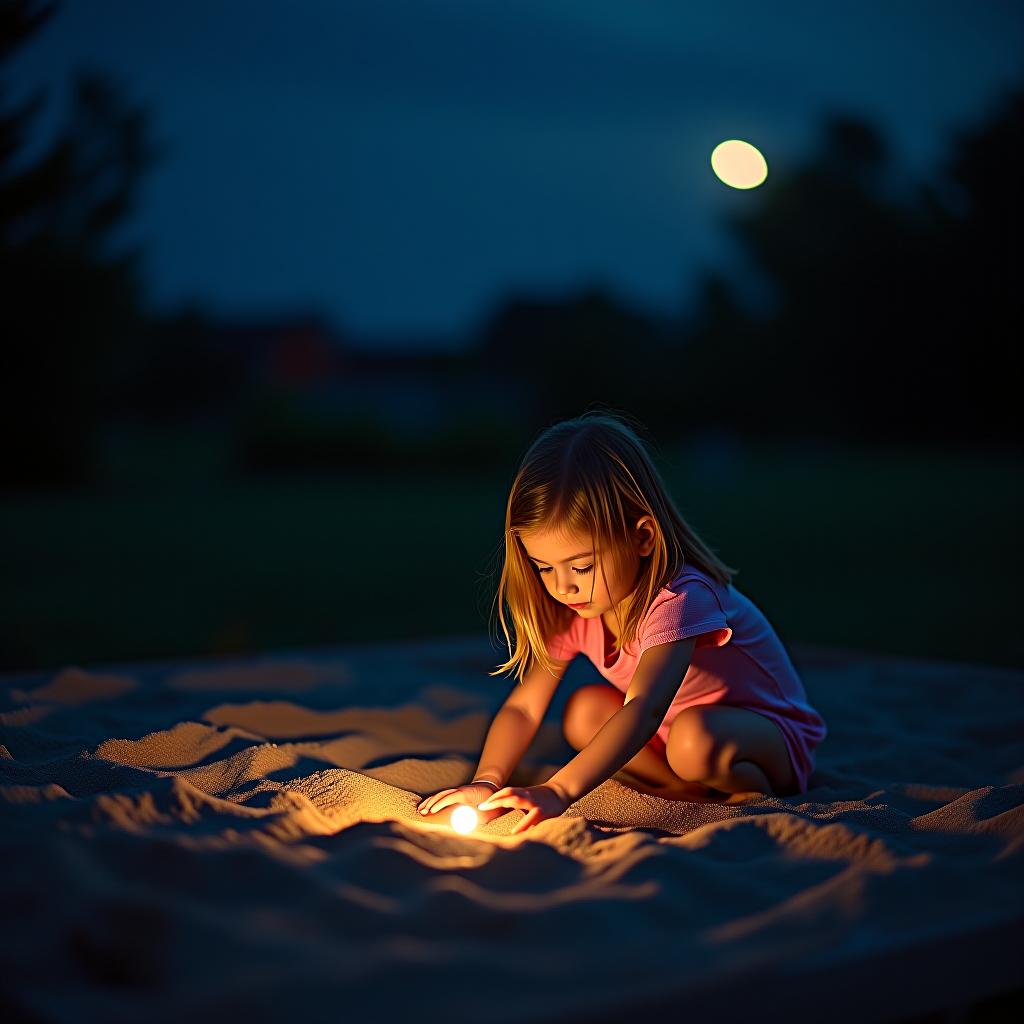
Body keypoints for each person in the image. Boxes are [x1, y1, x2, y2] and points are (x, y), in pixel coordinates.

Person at [416, 409, 827, 834]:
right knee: (584, 713)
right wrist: (487, 780)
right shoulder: (575, 608)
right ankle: (683, 790)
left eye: (581, 566)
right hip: (673, 738)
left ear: (642, 537)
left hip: (766, 739)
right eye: (543, 567)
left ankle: (744, 792)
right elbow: (523, 707)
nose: (563, 587)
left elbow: (644, 708)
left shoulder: (680, 598)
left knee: (692, 740)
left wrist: (559, 790)